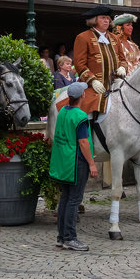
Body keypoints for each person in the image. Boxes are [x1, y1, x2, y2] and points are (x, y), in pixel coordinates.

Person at [50, 81, 99, 252]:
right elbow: (83, 142)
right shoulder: (81, 116)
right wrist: (92, 164)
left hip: (64, 160)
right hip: (76, 162)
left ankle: (61, 237)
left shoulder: (63, 111)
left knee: (65, 198)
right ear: (82, 96)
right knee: (74, 200)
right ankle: (70, 238)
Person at [72, 4, 123, 117]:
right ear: (94, 20)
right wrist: (93, 80)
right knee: (87, 113)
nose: (106, 21)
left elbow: (123, 59)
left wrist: (122, 67)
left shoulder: (115, 38)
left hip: (115, 85)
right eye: (102, 18)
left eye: (107, 18)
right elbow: (79, 64)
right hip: (92, 86)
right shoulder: (83, 37)